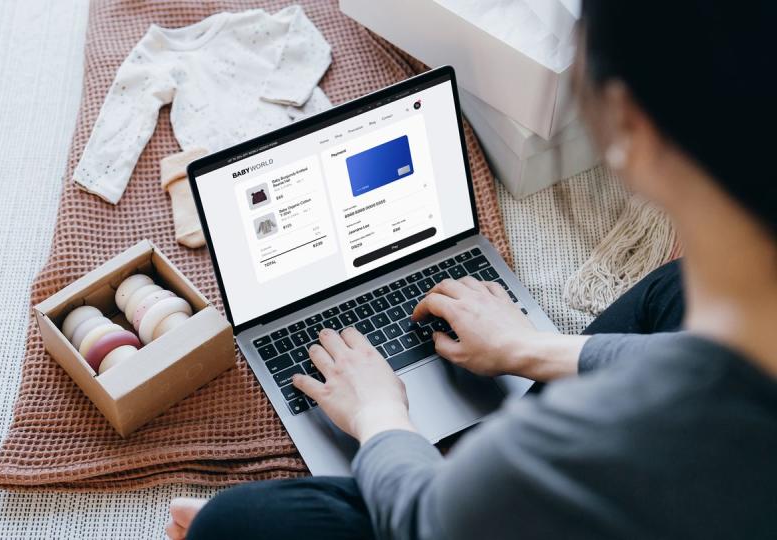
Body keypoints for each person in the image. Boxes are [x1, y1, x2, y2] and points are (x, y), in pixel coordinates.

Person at [166, 1, 777, 538]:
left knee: (234, 523)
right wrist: (530, 347)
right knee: (670, 291)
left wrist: (381, 417)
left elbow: (431, 519)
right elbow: (689, 361)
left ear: (628, 126)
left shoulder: (555, 457)